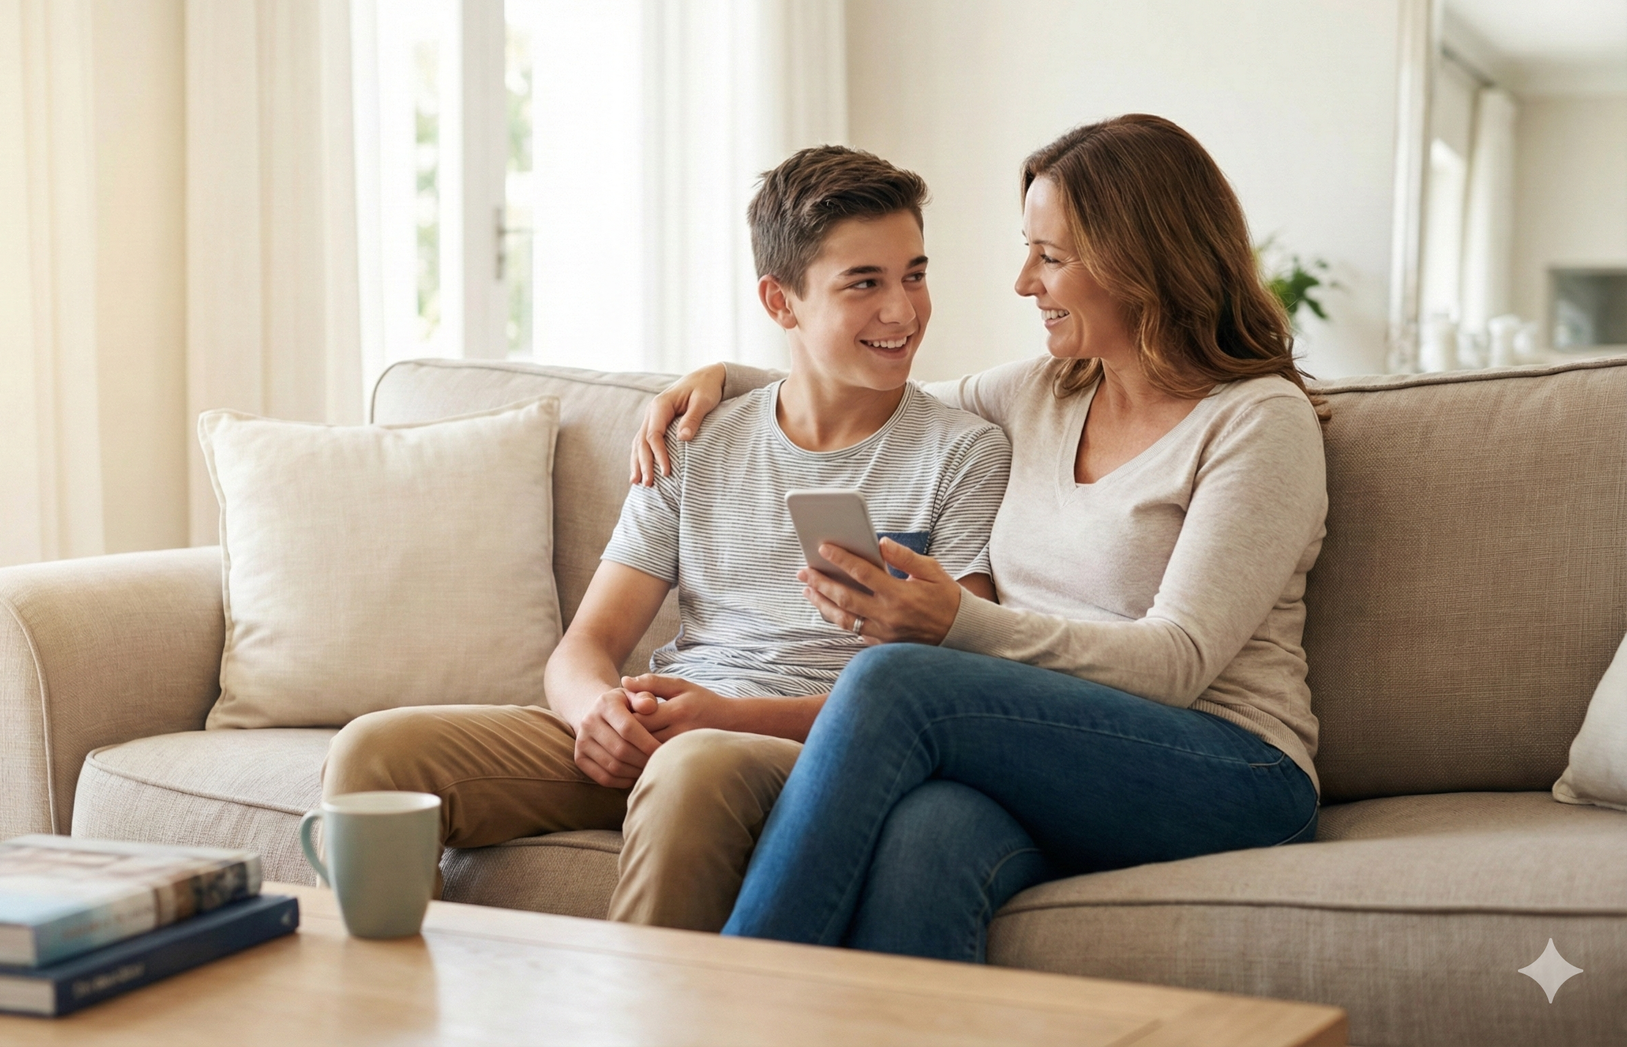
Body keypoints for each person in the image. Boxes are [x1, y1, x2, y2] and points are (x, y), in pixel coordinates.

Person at [631, 114, 1328, 961]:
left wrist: (954, 625)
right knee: (927, 835)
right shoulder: (1041, 391)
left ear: (1143, 259)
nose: (1022, 282)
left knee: (897, 680)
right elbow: (874, 377)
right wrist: (723, 379)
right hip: (1046, 755)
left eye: (1051, 255)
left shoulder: (1259, 421)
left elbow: (1177, 661)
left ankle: (728, 1000)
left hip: (1225, 767)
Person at [323, 145, 1011, 932]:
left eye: (914, 275)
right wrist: (597, 714)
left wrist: (724, 717)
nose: (903, 310)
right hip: (673, 723)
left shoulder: (965, 452)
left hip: (806, 748)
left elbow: (955, 695)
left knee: (690, 763)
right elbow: (585, 646)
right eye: (866, 283)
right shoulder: (697, 437)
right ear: (779, 302)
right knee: (376, 753)